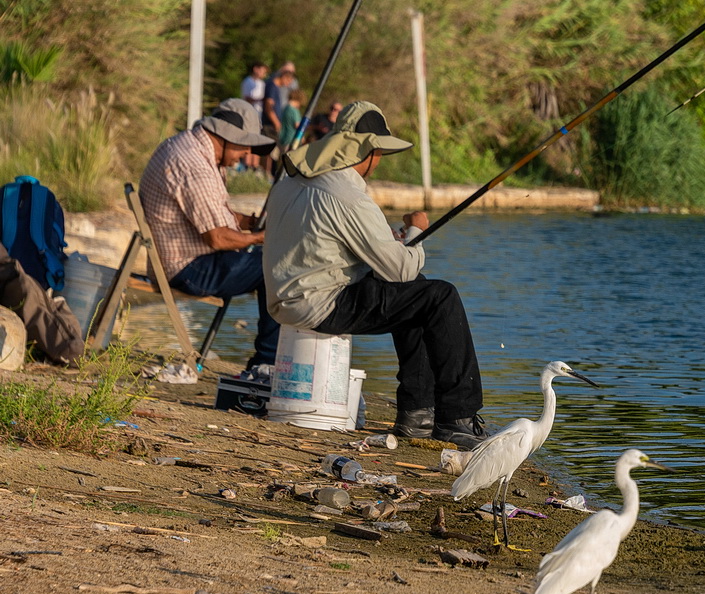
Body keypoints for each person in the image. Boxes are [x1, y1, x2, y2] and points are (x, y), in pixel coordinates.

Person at [262, 101, 488, 448]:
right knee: (440, 297)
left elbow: (324, 245)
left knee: (418, 295)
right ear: (367, 151)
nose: (379, 161)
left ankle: (418, 414)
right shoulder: (346, 195)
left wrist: (388, 244)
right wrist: (415, 232)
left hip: (281, 299)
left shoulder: (290, 183)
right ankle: (458, 417)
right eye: (379, 152)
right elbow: (400, 268)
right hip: (321, 305)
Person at [139, 98, 281, 370]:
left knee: (269, 259)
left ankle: (268, 359)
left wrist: (252, 223)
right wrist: (262, 238)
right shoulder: (194, 165)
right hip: (188, 269)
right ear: (227, 136)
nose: (248, 152)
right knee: (277, 266)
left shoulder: (190, 149)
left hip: (187, 259)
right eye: (246, 144)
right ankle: (267, 363)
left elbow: (214, 217)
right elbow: (217, 238)